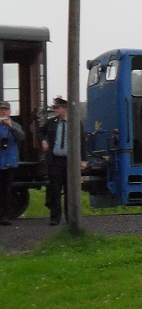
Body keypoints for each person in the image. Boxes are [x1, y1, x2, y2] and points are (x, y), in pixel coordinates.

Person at [39, 96, 83, 227]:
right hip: (55, 160)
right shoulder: (52, 122)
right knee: (55, 189)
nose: (56, 110)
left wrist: (84, 160)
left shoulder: (75, 122)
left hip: (69, 161)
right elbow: (40, 131)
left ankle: (70, 218)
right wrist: (44, 141)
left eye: (58, 108)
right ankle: (55, 217)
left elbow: (82, 141)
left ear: (65, 109)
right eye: (56, 108)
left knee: (70, 190)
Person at [0, 101, 25, 226]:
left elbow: (21, 137)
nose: (3, 112)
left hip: (9, 162)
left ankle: (5, 216)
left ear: (9, 112)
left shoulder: (14, 125)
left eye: (5, 110)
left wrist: (10, 127)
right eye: (1, 110)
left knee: (7, 190)